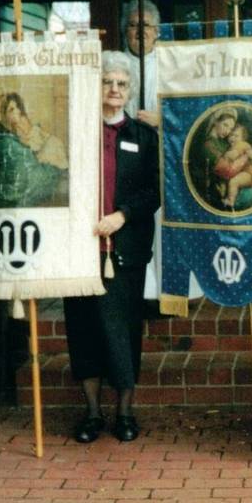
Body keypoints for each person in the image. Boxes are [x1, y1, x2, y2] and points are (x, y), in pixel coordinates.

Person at [64, 51, 160, 444]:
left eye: (122, 84)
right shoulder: (77, 131)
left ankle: (124, 412)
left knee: (122, 330)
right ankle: (91, 413)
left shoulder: (142, 136)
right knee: (83, 328)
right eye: (107, 83)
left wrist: (122, 215)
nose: (115, 90)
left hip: (124, 249)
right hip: (80, 247)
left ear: (130, 90)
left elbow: (154, 190)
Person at [0, 92, 66, 208]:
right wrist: (54, 171)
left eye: (17, 107)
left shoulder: (4, 141)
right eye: (11, 109)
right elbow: (31, 183)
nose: (18, 111)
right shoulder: (9, 147)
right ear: (1, 117)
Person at [121, 0, 161, 126]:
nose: (140, 31)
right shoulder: (115, 64)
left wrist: (162, 121)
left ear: (156, 32)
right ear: (125, 32)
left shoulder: (168, 64)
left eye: (146, 25)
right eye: (133, 25)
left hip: (158, 138)